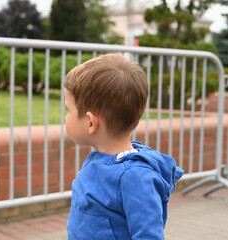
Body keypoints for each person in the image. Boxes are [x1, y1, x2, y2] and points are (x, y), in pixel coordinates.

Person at [64, 53, 184, 239]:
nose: (66, 117)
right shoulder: (99, 158)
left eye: (68, 111)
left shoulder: (135, 178)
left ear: (90, 122)